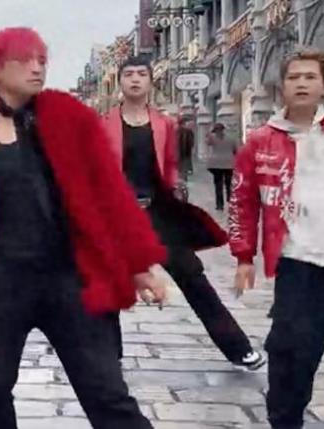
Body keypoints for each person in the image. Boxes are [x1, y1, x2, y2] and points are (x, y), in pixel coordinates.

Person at [0, 27, 171, 429]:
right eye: (24, 60)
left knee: (105, 393)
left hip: (70, 278)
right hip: (1, 282)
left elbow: (109, 193)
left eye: (42, 61)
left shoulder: (71, 118)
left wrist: (139, 264)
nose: (36, 69)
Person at [230, 48, 324, 429]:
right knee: (291, 357)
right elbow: (242, 200)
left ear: (323, 84)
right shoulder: (261, 141)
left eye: (310, 77)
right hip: (301, 264)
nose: (302, 84)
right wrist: (244, 257)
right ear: (281, 86)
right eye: (294, 77)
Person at [102, 55, 266, 371]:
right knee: (110, 283)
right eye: (128, 74)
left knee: (193, 279)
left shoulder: (165, 123)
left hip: (159, 213)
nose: (134, 79)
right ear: (120, 82)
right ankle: (109, 356)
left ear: (150, 81)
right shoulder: (103, 123)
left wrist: (176, 186)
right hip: (118, 215)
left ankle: (239, 349)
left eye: (141, 74)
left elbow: (171, 164)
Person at [206, 123, 239, 211]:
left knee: (218, 185)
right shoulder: (231, 138)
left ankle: (219, 205)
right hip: (229, 164)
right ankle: (230, 199)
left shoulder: (212, 138)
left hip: (216, 164)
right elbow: (236, 150)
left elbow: (207, 143)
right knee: (229, 183)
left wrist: (210, 132)